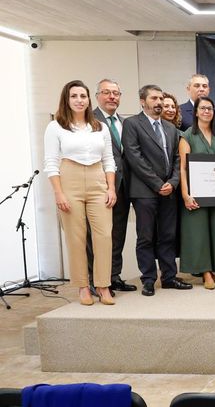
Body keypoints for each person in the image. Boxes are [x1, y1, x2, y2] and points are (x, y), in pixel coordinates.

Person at [45, 80, 117, 306]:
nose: (79, 100)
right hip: (69, 180)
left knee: (104, 236)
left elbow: (109, 160)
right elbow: (51, 162)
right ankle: (83, 287)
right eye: (74, 96)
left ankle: (103, 286)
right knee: (75, 238)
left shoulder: (100, 127)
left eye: (83, 96)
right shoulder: (56, 126)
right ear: (67, 100)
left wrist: (111, 187)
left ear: (89, 99)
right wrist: (59, 193)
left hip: (98, 181)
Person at [122, 84, 192, 296]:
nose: (159, 102)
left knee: (168, 236)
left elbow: (177, 159)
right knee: (146, 237)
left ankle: (169, 277)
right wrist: (157, 184)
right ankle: (149, 279)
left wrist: (172, 181)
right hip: (144, 191)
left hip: (168, 190)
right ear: (143, 101)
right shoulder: (132, 124)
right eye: (154, 98)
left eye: (161, 98)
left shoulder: (171, 128)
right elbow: (134, 157)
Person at [178, 96, 215, 289]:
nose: (207, 111)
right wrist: (185, 194)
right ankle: (205, 272)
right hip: (196, 193)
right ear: (196, 112)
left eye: (210, 108)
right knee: (198, 232)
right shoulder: (187, 136)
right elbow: (182, 168)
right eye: (203, 108)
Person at [91, 78, 135, 292]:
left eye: (116, 93)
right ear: (97, 95)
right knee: (97, 236)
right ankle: (95, 280)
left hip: (124, 187)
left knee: (118, 234)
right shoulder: (89, 120)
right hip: (98, 187)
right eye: (107, 93)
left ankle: (113, 276)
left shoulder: (126, 122)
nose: (112, 97)